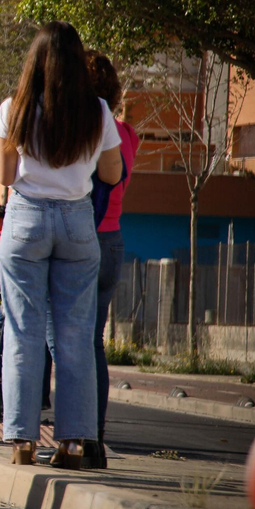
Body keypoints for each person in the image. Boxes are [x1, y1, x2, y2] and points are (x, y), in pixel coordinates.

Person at [0, 21, 123, 469]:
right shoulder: (99, 111)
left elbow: (5, 177)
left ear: (35, 61)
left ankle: (22, 441)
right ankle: (71, 443)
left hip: (26, 217)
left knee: (22, 330)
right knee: (76, 336)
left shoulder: (15, 108)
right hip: (78, 220)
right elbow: (110, 174)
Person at [85, 50, 138, 469]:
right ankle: (96, 433)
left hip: (82, 236)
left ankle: (75, 432)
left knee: (68, 340)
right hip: (114, 239)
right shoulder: (128, 134)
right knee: (94, 342)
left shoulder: (85, 126)